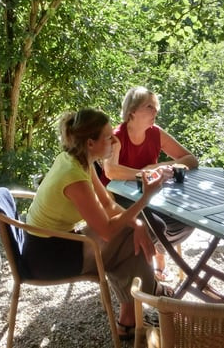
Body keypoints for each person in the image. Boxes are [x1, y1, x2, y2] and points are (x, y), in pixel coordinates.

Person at [24, 108, 172, 341]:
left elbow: (108, 205)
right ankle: (141, 306)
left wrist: (137, 224)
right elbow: (107, 230)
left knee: (139, 234)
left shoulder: (78, 160)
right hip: (48, 258)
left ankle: (131, 318)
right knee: (136, 238)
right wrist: (145, 199)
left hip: (55, 243)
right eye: (108, 136)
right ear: (91, 143)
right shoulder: (74, 175)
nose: (114, 140)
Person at [101, 86, 198, 282]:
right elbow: (111, 171)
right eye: (149, 107)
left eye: (156, 107)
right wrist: (145, 172)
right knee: (156, 225)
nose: (156, 111)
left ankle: (157, 253)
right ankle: (147, 270)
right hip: (118, 199)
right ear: (132, 111)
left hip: (151, 195)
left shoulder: (156, 133)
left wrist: (160, 165)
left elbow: (190, 159)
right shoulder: (116, 136)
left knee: (187, 220)